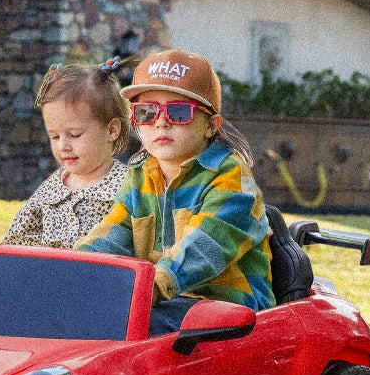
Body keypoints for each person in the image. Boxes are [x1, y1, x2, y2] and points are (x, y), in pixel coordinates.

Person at [78, 49, 274, 311]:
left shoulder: (232, 177)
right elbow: (114, 232)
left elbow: (207, 244)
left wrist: (158, 283)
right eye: (146, 112)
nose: (161, 122)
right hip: (165, 299)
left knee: (133, 329)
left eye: (179, 112)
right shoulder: (141, 174)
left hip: (229, 309)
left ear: (211, 125)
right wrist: (76, 266)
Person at [4, 61, 133, 248]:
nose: (63, 146)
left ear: (111, 130)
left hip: (101, 275)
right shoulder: (52, 188)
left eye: (74, 135)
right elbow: (15, 242)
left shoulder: (129, 187)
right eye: (54, 136)